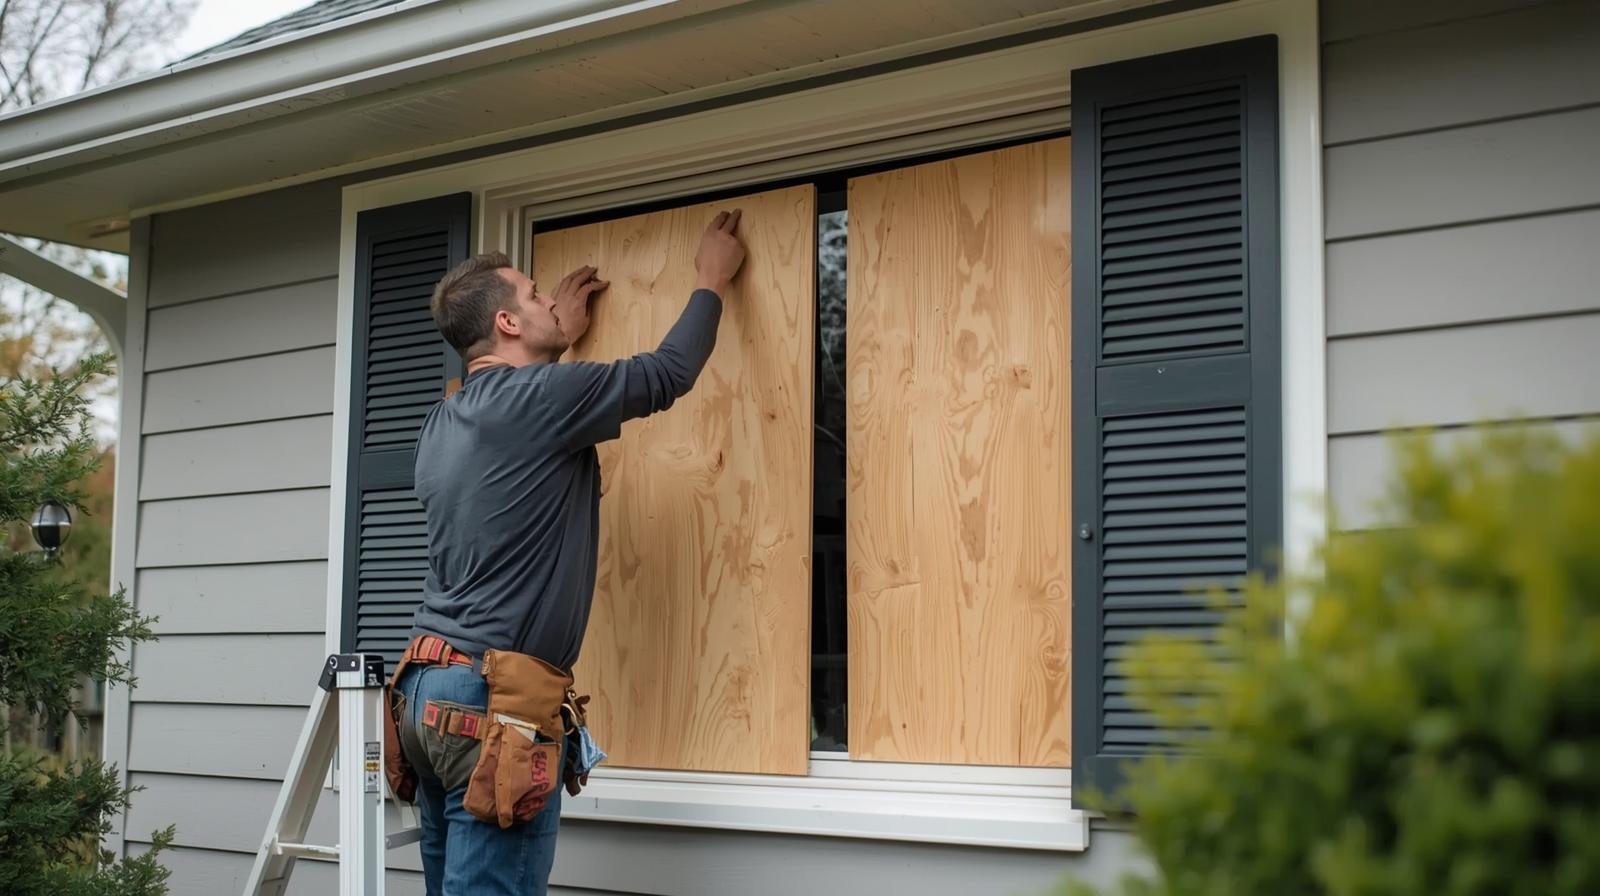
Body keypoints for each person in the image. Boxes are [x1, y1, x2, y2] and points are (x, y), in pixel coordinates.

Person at [392, 210, 747, 895]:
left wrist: (558, 344)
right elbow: (667, 373)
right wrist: (710, 279)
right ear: (507, 325)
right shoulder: (538, 400)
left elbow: (526, 430)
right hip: (492, 700)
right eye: (533, 295)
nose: (550, 299)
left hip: (425, 696)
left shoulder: (445, 418)